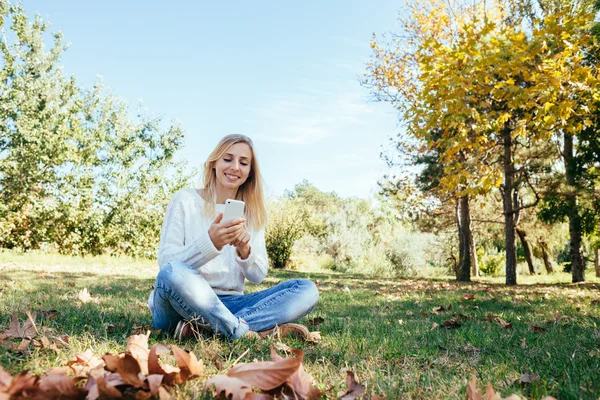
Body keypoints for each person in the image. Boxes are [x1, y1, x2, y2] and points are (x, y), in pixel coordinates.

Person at [148, 134, 319, 341]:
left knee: (306, 290)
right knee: (172, 272)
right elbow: (167, 263)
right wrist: (210, 243)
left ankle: (208, 330)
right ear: (214, 164)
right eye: (227, 159)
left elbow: (257, 275)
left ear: (249, 172)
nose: (235, 167)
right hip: (181, 302)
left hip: (231, 303)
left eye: (243, 163)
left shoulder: (252, 212)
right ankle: (245, 332)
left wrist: (244, 250)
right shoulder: (185, 200)